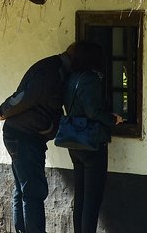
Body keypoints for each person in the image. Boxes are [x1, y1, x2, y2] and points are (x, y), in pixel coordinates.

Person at [0, 48, 71, 233]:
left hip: (20, 134)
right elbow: (25, 98)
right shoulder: (50, 72)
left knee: (23, 189)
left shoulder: (51, 67)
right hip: (25, 136)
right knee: (32, 191)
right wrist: (3, 110)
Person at [63, 41, 122, 233]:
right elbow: (93, 111)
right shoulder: (90, 79)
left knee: (80, 195)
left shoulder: (70, 77)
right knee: (92, 198)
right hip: (91, 142)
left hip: (74, 141)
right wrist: (113, 119)